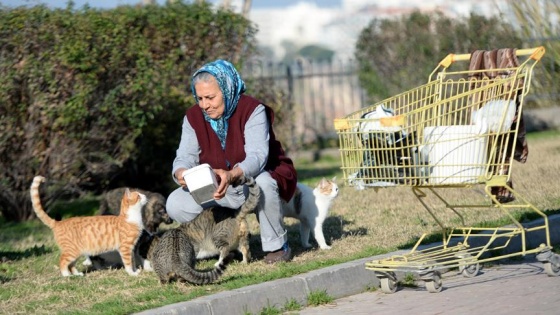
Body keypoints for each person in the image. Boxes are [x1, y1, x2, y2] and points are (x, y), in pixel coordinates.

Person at [166, 59, 298, 264]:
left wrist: (232, 174)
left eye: (210, 97)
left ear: (227, 90)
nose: (204, 105)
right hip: (217, 186)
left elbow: (257, 156)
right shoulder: (193, 117)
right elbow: (184, 155)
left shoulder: (252, 109)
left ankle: (277, 246)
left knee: (263, 183)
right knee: (175, 203)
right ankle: (226, 240)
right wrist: (181, 173)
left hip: (249, 179)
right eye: (199, 98)